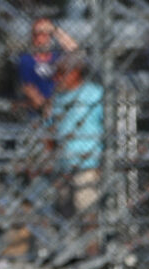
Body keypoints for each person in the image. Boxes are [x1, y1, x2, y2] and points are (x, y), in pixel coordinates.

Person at [48, 54, 103, 215]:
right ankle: (69, 240)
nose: (57, 78)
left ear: (75, 72)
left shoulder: (94, 94)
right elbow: (50, 129)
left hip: (88, 165)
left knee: (87, 212)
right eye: (56, 73)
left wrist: (103, 161)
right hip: (63, 166)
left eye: (61, 73)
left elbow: (109, 127)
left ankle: (91, 240)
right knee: (64, 213)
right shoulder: (58, 97)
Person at [14, 15, 65, 111]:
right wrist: (45, 106)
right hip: (40, 108)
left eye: (44, 34)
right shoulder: (26, 59)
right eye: (36, 34)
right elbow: (28, 88)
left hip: (61, 103)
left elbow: (76, 51)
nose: (39, 38)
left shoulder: (58, 56)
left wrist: (55, 31)